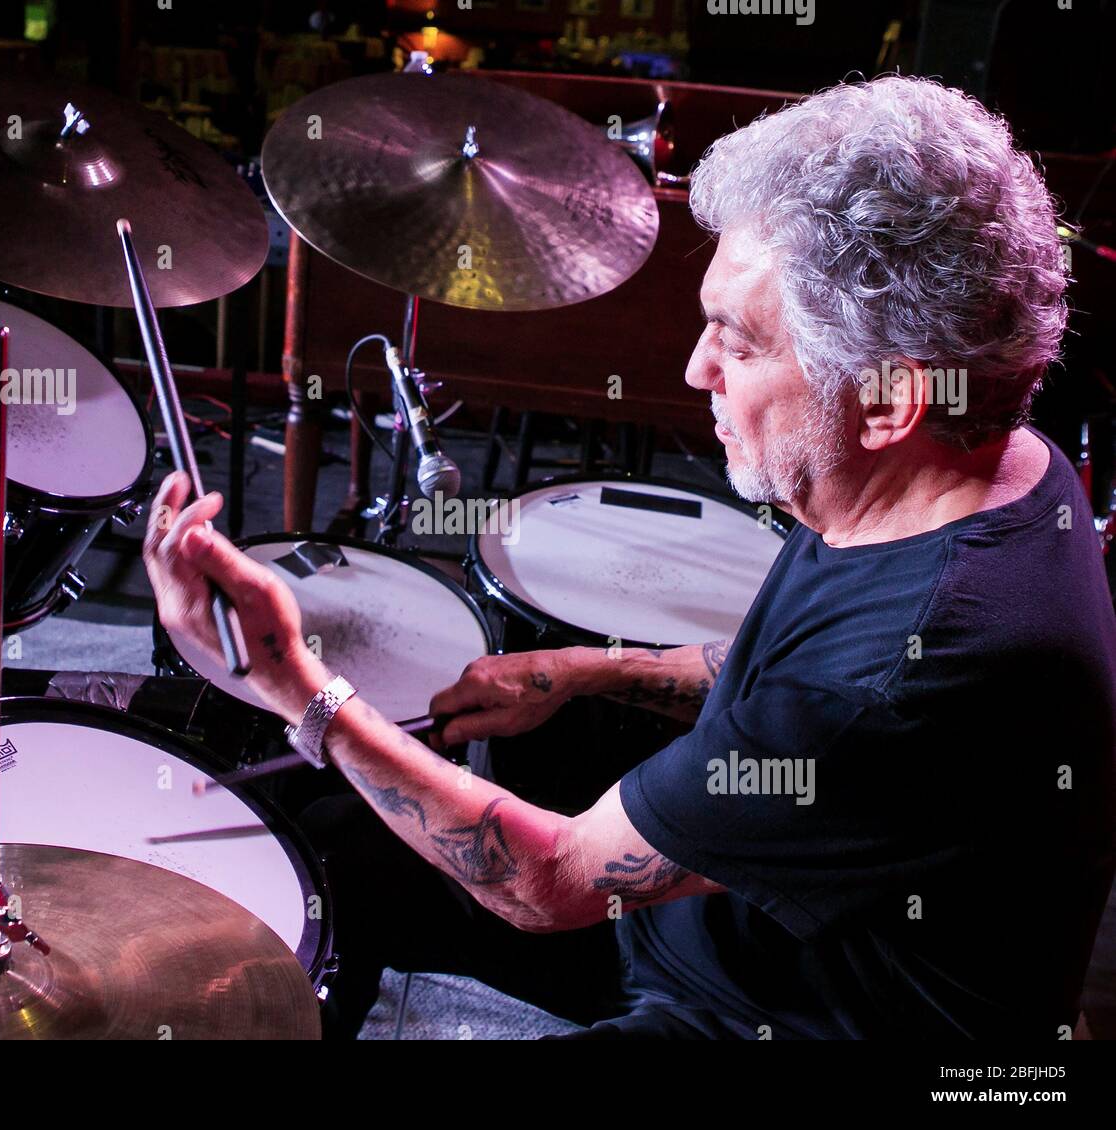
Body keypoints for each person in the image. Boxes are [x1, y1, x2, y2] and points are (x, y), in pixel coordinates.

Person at [144, 75, 1116, 1039]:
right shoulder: (997, 462)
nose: (696, 370)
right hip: (750, 913)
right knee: (335, 847)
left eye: (736, 344)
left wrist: (296, 686)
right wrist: (591, 667)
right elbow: (789, 669)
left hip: (780, 1011)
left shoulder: (890, 682)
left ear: (892, 401)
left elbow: (547, 881)